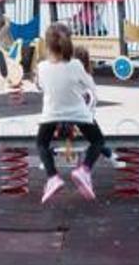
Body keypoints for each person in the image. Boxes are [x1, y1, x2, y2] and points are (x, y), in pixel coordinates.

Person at [35, 24, 103, 204]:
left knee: (42, 143)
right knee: (98, 141)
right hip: (79, 114)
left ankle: (52, 177)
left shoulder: (42, 67)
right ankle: (84, 170)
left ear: (48, 46)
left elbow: (41, 86)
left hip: (51, 115)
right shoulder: (76, 65)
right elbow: (90, 86)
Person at [73, 45, 125, 169]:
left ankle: (49, 155)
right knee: (97, 139)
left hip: (71, 119)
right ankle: (109, 157)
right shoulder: (88, 78)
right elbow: (93, 99)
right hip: (84, 118)